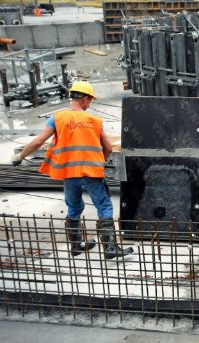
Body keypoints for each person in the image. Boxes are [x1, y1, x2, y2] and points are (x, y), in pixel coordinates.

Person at [11, 81, 132, 260]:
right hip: (91, 172)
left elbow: (38, 142)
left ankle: (76, 247)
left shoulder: (57, 118)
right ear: (84, 99)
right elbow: (107, 146)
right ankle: (111, 248)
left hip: (69, 173)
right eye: (90, 100)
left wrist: (20, 156)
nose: (90, 104)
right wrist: (100, 160)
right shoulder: (94, 121)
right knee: (104, 206)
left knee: (74, 207)